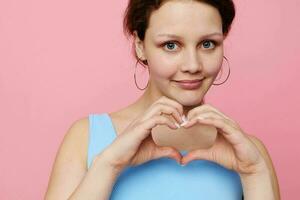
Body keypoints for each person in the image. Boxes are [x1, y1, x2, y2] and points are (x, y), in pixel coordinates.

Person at [45, 0, 280, 199]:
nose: (192, 65)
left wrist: (253, 173)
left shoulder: (250, 153)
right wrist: (109, 164)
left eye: (208, 44)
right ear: (140, 46)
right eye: (171, 45)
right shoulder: (87, 137)